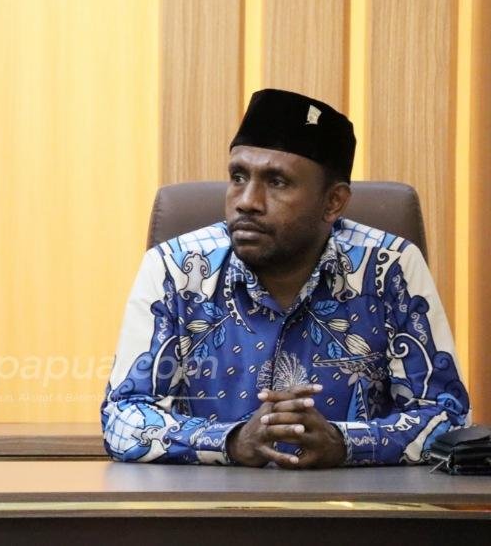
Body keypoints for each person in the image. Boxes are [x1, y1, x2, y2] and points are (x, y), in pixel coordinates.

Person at [101, 89, 469, 468]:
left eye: (277, 182)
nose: (247, 201)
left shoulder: (390, 267)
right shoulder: (175, 268)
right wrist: (231, 442)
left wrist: (345, 443)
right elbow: (122, 418)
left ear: (333, 202)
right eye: (238, 177)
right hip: (210, 500)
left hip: (353, 500)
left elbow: (447, 417)